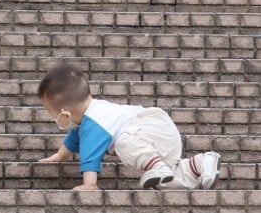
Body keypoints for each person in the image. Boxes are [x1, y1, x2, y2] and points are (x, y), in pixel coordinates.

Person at [36, 63, 220, 191]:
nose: (54, 119)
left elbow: (89, 154)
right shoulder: (87, 121)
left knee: (122, 141)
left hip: (150, 125)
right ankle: (199, 164)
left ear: (65, 114)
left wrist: (89, 185)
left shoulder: (94, 122)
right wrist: (59, 156)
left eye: (53, 115)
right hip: (156, 138)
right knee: (166, 180)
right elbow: (74, 140)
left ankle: (157, 166)